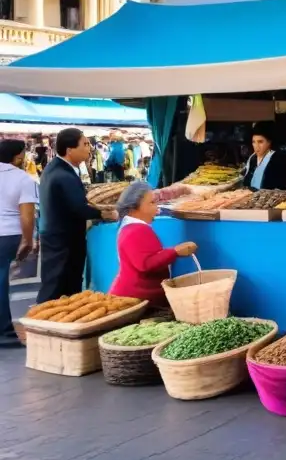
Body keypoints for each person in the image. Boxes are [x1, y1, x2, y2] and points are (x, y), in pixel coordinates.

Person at [38, 128, 115, 303]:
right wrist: (103, 213)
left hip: (57, 235)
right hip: (63, 238)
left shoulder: (57, 168)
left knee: (62, 283)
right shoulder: (62, 174)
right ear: (70, 149)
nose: (89, 148)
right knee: (57, 285)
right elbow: (79, 208)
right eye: (85, 144)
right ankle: (41, 321)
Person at [110, 182, 197, 306]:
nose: (157, 208)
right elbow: (145, 264)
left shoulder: (129, 227)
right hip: (134, 299)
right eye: (151, 203)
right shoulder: (137, 230)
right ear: (133, 208)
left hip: (133, 296)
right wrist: (175, 251)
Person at [0, 140, 37, 346]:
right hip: (8, 233)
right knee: (1, 280)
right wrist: (28, 239)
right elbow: (27, 215)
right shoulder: (23, 178)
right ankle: (4, 333)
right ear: (18, 157)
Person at [241, 122, 286, 190]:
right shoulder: (253, 158)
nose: (256, 146)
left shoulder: (279, 158)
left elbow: (280, 186)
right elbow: (246, 181)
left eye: (260, 142)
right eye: (254, 142)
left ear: (269, 142)